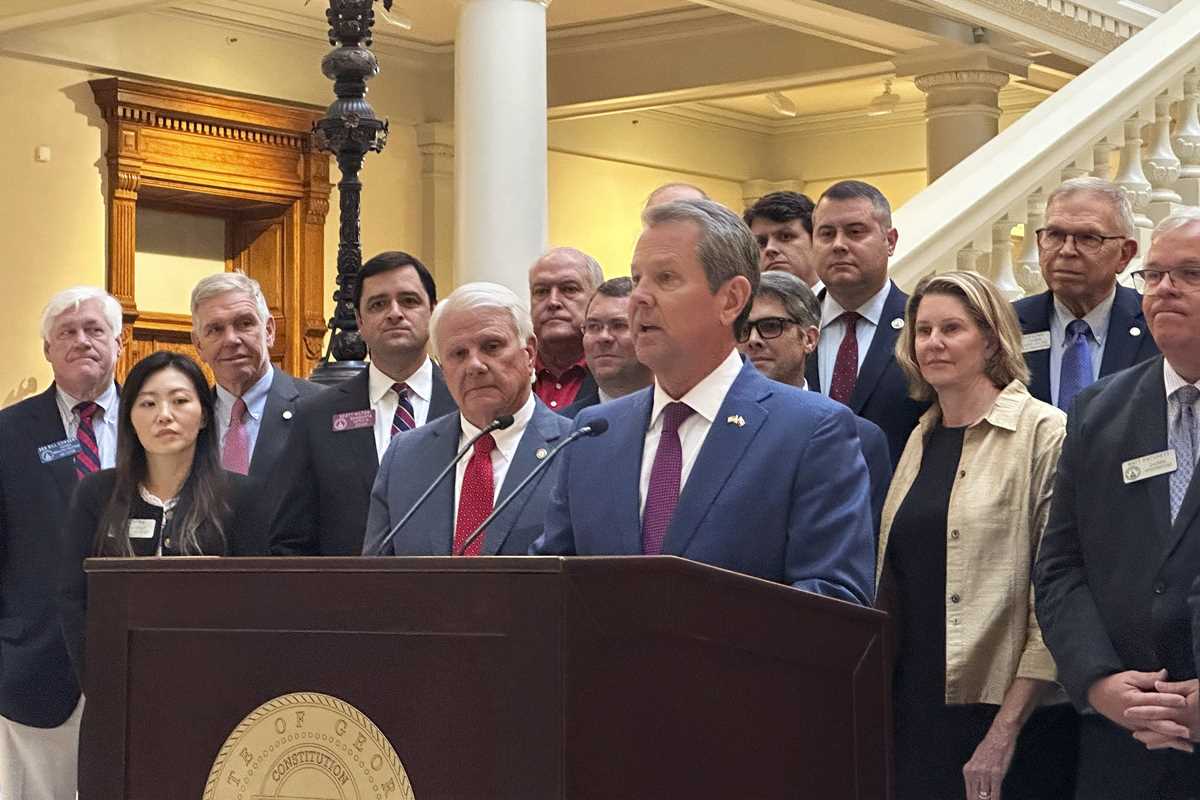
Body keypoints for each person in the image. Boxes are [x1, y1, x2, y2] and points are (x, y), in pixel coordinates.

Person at [532, 199, 875, 606]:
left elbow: (834, 599)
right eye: (637, 278)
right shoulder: (593, 433)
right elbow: (548, 587)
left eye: (665, 278)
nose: (639, 298)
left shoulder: (811, 431)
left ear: (731, 299)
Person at [881, 271, 1077, 800]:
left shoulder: (1045, 432)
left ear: (991, 340)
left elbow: (1056, 596)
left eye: (952, 328)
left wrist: (1004, 730)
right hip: (914, 703)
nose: (933, 343)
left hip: (1009, 716)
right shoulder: (920, 436)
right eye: (923, 331)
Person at [1035, 209, 1200, 798]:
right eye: (1153, 275)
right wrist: (1099, 681)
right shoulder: (1098, 410)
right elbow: (1061, 566)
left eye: (1190, 274)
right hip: (1122, 746)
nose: (1164, 289)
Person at [59, 351, 252, 681]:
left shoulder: (242, 496)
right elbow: (74, 599)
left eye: (180, 401)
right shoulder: (96, 494)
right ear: (130, 419)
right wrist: (101, 683)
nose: (164, 415)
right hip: (117, 682)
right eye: (148, 403)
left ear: (205, 415)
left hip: (219, 682)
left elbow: (257, 603)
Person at [0, 286, 122, 799]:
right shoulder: (8, 433)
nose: (82, 341)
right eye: (67, 332)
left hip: (139, 663)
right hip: (33, 669)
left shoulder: (157, 422)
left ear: (118, 343)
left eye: (95, 329)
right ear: (47, 349)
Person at [362, 283, 574, 557]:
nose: (474, 365)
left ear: (530, 353)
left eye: (491, 347)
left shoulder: (575, 449)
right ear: (443, 367)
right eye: (459, 354)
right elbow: (376, 573)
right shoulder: (405, 456)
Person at [267, 252, 456, 556]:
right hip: (347, 586)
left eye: (409, 301)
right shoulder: (316, 418)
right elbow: (290, 543)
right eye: (378, 304)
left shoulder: (467, 404)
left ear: (433, 312)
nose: (395, 313)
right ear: (359, 321)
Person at [736, 270, 892, 535]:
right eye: (743, 330)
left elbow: (864, 541)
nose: (753, 340)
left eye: (771, 326)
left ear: (809, 339)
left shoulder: (860, 437)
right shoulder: (713, 427)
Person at [190, 273, 322, 553]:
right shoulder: (188, 420)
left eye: (245, 323)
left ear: (269, 330)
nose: (231, 339)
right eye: (215, 329)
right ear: (198, 344)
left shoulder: (319, 408)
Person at [806, 180, 928, 465]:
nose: (839, 245)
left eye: (855, 232)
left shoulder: (922, 326)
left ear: (890, 241)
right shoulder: (787, 328)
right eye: (826, 234)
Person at [1014, 177, 1159, 410]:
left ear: (1125, 255)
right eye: (1054, 235)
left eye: (1088, 238)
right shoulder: (1005, 325)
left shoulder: (1157, 324)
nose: (1066, 250)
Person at [562, 276, 652, 418]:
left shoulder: (675, 417)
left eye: (619, 325)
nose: (603, 337)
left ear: (650, 331)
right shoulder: (564, 427)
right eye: (593, 326)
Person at [528, 248, 603, 411]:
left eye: (569, 289)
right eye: (541, 291)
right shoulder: (513, 372)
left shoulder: (622, 369)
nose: (553, 302)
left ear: (597, 300)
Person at [743, 190, 820, 290]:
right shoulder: (743, 299)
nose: (770, 248)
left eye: (785, 236)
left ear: (815, 240)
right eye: (761, 243)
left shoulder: (838, 297)